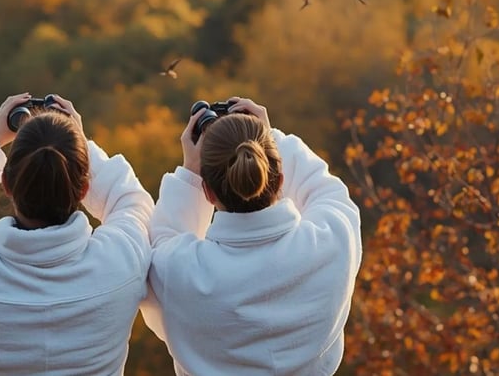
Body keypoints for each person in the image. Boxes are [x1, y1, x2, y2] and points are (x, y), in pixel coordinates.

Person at [0, 93, 154, 376]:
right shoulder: (119, 263)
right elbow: (132, 202)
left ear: (6, 184)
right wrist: (80, 142)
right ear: (84, 190)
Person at [142, 97, 362, 375]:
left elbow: (163, 239)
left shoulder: (179, 273)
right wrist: (271, 138)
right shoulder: (332, 241)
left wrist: (189, 175)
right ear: (279, 178)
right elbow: (324, 190)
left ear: (207, 192)